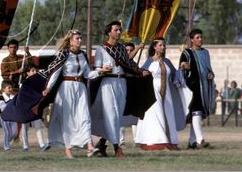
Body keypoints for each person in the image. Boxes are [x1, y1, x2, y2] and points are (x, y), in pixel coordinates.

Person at [90, 21, 151, 158]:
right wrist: (103, 70)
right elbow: (96, 68)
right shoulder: (101, 49)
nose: (119, 32)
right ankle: (117, 148)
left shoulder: (122, 49)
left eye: (119, 30)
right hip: (108, 82)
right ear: (109, 32)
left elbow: (128, 65)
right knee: (111, 114)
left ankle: (101, 145)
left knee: (116, 115)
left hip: (121, 82)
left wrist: (140, 72)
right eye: (116, 30)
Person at [41, 30, 102, 159]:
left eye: (80, 38)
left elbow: (87, 75)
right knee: (67, 119)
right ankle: (68, 151)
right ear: (70, 41)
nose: (80, 40)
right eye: (77, 38)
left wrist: (101, 71)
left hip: (81, 88)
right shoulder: (64, 54)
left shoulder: (83, 55)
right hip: (66, 88)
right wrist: (48, 87)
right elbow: (55, 72)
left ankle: (90, 146)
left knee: (84, 116)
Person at [134, 38, 186, 150]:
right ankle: (157, 142)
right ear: (154, 47)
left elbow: (174, 76)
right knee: (156, 116)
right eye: (160, 45)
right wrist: (142, 73)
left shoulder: (167, 62)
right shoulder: (149, 61)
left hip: (167, 93)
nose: (163, 47)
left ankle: (171, 141)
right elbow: (139, 73)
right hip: (153, 92)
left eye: (164, 45)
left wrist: (181, 67)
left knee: (168, 115)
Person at [179, 28, 216, 149]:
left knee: (197, 114)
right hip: (192, 87)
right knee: (196, 112)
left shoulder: (205, 53)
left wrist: (211, 74)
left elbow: (208, 68)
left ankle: (191, 142)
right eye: (197, 38)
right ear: (191, 40)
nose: (200, 39)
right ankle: (200, 140)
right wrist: (185, 66)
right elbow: (181, 68)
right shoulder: (186, 53)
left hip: (204, 87)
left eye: (201, 37)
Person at [20, 63, 48, 152]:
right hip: (26, 108)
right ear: (28, 73)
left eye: (36, 70)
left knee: (38, 125)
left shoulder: (39, 82)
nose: (35, 72)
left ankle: (42, 144)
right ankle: (25, 145)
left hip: (35, 107)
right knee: (25, 127)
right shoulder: (24, 83)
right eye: (32, 70)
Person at [0, 80, 18, 151]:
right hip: (5, 118)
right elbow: (3, 108)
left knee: (15, 133)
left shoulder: (14, 97)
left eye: (11, 88)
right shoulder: (1, 98)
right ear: (4, 89)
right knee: (7, 132)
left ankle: (6, 141)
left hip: (13, 117)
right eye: (9, 88)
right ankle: (6, 147)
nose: (11, 89)